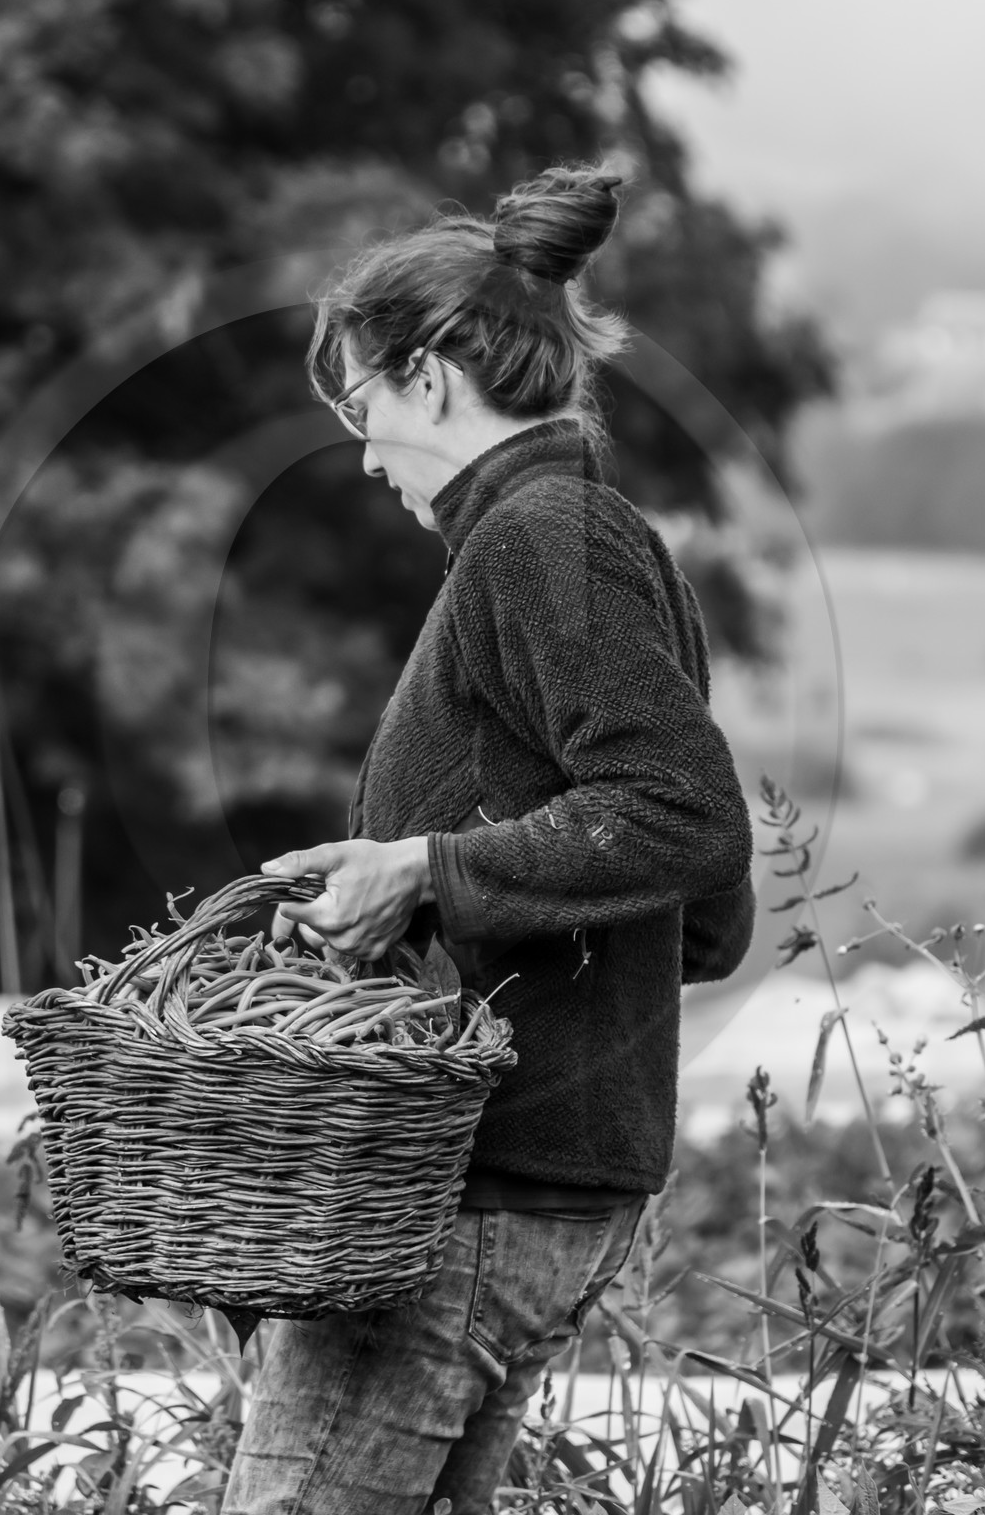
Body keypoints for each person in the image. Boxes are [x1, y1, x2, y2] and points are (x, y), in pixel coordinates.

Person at [222, 163, 757, 1515]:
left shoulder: (536, 542)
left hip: (471, 1194)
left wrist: (424, 870)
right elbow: (708, 910)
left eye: (361, 403)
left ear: (432, 378)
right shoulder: (607, 543)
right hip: (548, 1185)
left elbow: (684, 818)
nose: (358, 449)